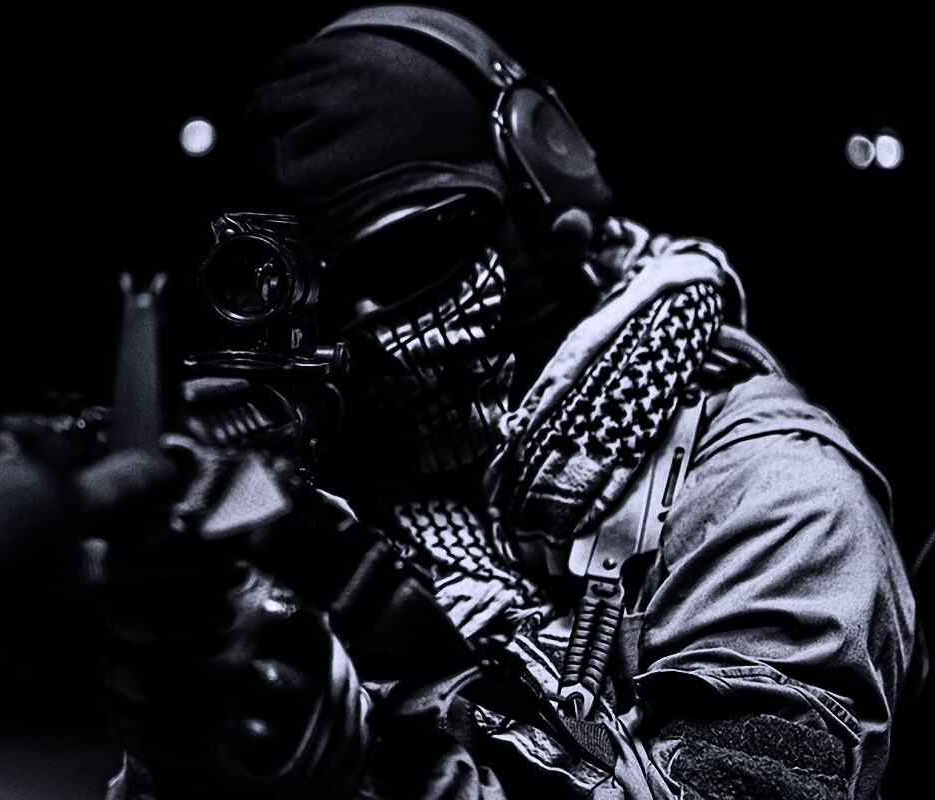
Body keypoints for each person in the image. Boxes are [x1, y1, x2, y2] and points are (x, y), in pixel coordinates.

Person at [91, 4, 918, 799]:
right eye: (325, 291)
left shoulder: (779, 499)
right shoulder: (343, 480)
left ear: (545, 182)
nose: (367, 321)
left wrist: (361, 756)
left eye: (402, 254)